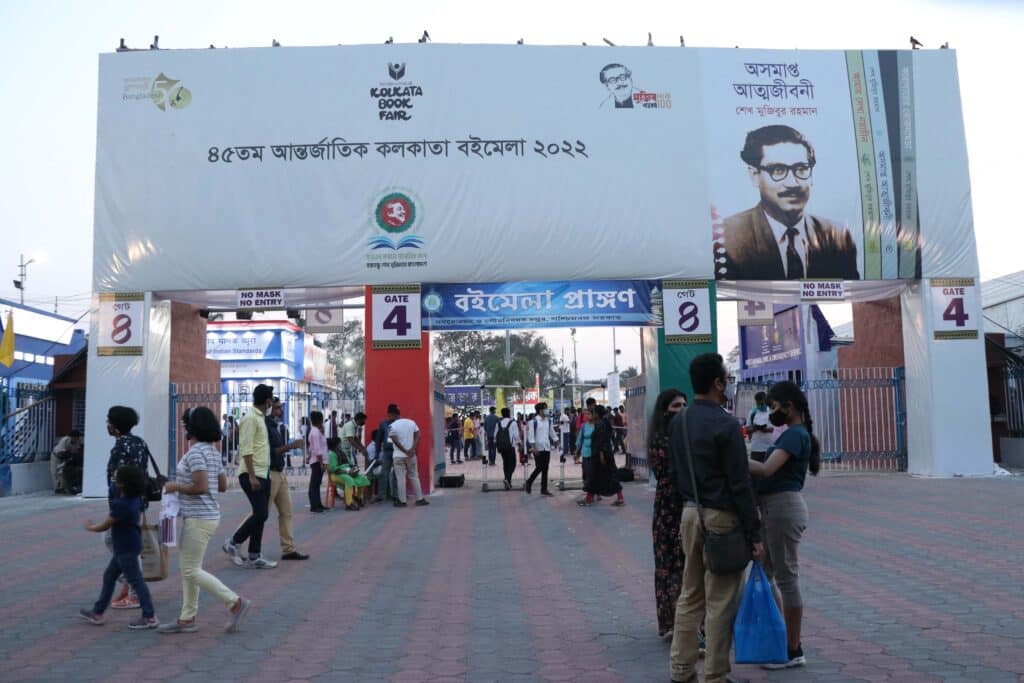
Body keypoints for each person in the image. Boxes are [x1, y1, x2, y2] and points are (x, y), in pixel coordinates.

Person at [667, 353, 762, 683]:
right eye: (727, 379)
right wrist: (755, 532)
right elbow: (740, 483)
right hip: (722, 519)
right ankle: (715, 675)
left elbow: (673, 473)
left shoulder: (678, 421)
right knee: (721, 601)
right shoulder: (727, 424)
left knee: (690, 595)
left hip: (689, 513)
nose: (729, 385)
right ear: (717, 383)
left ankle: (680, 671)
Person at [718, 125, 860, 281]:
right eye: (778, 170)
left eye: (801, 169)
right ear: (755, 176)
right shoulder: (726, 239)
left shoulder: (838, 237)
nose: (792, 183)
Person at [746, 380, 820, 670]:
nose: (771, 412)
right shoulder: (792, 434)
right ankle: (780, 639)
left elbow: (766, 469)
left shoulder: (795, 435)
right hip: (775, 508)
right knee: (765, 575)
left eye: (775, 406)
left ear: (789, 406)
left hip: (783, 509)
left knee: (786, 578)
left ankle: (792, 649)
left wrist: (732, 457)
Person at [159, 407, 252, 633]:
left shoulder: (195, 453)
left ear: (194, 427)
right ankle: (187, 617)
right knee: (191, 568)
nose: (184, 427)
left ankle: (234, 602)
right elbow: (221, 485)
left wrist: (175, 486)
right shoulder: (212, 452)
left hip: (198, 518)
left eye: (186, 424)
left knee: (190, 570)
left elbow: (200, 487)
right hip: (207, 516)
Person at [79, 465, 159, 630]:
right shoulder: (135, 499)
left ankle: (149, 616)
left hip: (125, 548)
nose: (113, 481)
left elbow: (105, 525)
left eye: (116, 479)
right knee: (109, 576)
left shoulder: (121, 505)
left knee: (136, 581)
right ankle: (98, 612)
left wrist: (90, 527)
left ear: (123, 484)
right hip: (129, 544)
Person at [648, 389, 688, 639]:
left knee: (686, 563)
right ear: (665, 411)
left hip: (684, 503)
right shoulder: (661, 440)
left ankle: (686, 621)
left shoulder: (682, 435)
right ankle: (671, 621)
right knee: (669, 563)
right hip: (668, 506)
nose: (681, 410)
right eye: (676, 406)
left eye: (684, 405)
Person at [223, 384, 277, 569]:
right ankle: (233, 542)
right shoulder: (250, 418)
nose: (272, 403)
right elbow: (246, 449)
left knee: (260, 515)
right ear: (267, 401)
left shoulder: (260, 418)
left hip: (263, 473)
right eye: (271, 400)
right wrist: (252, 476)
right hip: (251, 474)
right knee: (261, 513)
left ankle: (255, 554)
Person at [105, 406, 154, 610]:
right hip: (138, 501)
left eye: (109, 421)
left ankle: (133, 588)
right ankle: (129, 583)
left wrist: (117, 504)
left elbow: (119, 477)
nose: (107, 425)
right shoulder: (139, 442)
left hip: (124, 503)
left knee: (118, 543)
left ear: (116, 426)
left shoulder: (121, 446)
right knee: (124, 543)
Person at [267, 398, 309, 560]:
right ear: (270, 408)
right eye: (278, 408)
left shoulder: (276, 426)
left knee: (287, 512)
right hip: (270, 473)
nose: (281, 411)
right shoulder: (265, 426)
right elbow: (271, 451)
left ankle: (288, 549)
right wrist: (291, 446)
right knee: (260, 514)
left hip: (280, 472)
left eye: (280, 407)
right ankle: (236, 540)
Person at [579, 405, 624, 507]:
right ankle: (619, 497)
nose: (592, 414)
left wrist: (601, 454)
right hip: (605, 453)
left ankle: (589, 499)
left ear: (597, 414)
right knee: (609, 475)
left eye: (593, 412)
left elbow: (601, 440)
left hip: (601, 455)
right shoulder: (604, 422)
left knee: (594, 476)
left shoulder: (600, 424)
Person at [388, 406, 430, 507]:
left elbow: (394, 440)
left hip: (398, 455)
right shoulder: (411, 422)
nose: (388, 417)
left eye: (389, 415)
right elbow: (418, 436)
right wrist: (412, 449)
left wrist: (404, 450)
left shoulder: (391, 426)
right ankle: (420, 499)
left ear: (392, 414)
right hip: (411, 455)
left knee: (401, 478)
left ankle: (402, 501)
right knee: (414, 476)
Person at [328, 436, 371, 511]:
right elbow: (334, 469)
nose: (340, 445)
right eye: (339, 444)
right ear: (335, 445)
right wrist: (347, 472)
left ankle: (358, 498)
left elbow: (350, 463)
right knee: (349, 480)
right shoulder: (331, 454)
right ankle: (349, 503)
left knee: (362, 478)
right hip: (337, 474)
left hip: (348, 472)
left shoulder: (342, 452)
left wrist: (354, 468)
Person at [525, 402, 557, 496]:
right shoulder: (533, 421)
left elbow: (551, 432)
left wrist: (556, 440)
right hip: (537, 447)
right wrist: (534, 448)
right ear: (540, 410)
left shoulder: (548, 421)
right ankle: (529, 481)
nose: (547, 410)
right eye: (545, 408)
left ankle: (544, 489)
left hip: (546, 447)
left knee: (545, 468)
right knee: (539, 467)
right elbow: (531, 436)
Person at [373, 405, 399, 503]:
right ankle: (381, 495)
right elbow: (378, 439)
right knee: (384, 473)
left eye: (392, 415)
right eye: (389, 415)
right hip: (387, 452)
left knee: (397, 474)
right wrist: (376, 453)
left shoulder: (400, 423)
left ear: (396, 415)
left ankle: (396, 495)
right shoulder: (383, 424)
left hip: (398, 451)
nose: (390, 417)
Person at [306, 410, 329, 513]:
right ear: (320, 420)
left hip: (318, 460)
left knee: (317, 483)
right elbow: (317, 449)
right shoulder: (315, 432)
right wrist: (321, 463)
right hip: (317, 461)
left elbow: (312, 448)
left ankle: (318, 504)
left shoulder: (317, 431)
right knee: (314, 484)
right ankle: (314, 506)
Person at [492, 408, 519, 490]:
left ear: (502, 414)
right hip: (510, 447)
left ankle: (508, 482)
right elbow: (516, 435)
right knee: (513, 463)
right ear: (509, 413)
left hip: (501, 447)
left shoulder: (498, 423)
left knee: (506, 463)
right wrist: (519, 443)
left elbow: (495, 436)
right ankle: (507, 478)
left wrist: (497, 444)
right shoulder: (513, 423)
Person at [51, 429, 83, 494]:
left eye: (78, 437)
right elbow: (59, 453)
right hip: (57, 457)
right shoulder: (65, 440)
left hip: (66, 457)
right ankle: (57, 488)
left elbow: (76, 451)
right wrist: (69, 454)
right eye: (76, 437)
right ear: (72, 437)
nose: (78, 439)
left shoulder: (78, 441)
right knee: (55, 472)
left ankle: (62, 487)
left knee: (62, 473)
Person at [748, 391, 773, 463]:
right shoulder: (753, 412)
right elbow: (747, 430)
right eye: (758, 404)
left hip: (770, 448)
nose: (760, 405)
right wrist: (756, 428)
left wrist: (767, 430)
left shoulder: (771, 412)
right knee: (755, 469)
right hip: (756, 448)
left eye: (762, 403)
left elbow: (776, 429)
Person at [575, 408, 595, 488]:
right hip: (585, 451)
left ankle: (594, 488)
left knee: (593, 470)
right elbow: (580, 439)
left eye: (589, 414)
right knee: (586, 469)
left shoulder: (597, 425)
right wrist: (576, 452)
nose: (587, 416)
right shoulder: (584, 426)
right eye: (586, 414)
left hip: (595, 451)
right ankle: (586, 485)